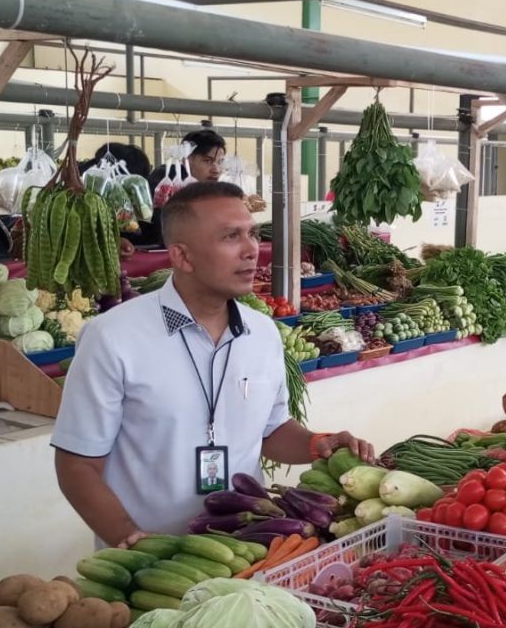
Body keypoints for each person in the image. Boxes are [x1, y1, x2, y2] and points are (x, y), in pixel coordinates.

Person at [51, 181, 374, 547]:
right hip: (150, 566)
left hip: (246, 549)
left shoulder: (263, 332)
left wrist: (319, 443)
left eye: (252, 234)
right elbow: (77, 465)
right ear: (182, 257)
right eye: (230, 236)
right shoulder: (112, 337)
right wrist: (131, 541)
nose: (252, 249)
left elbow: (270, 431)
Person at [144, 129, 228, 249]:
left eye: (220, 162)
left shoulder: (203, 186)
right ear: (186, 159)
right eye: (207, 161)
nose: (216, 170)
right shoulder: (168, 182)